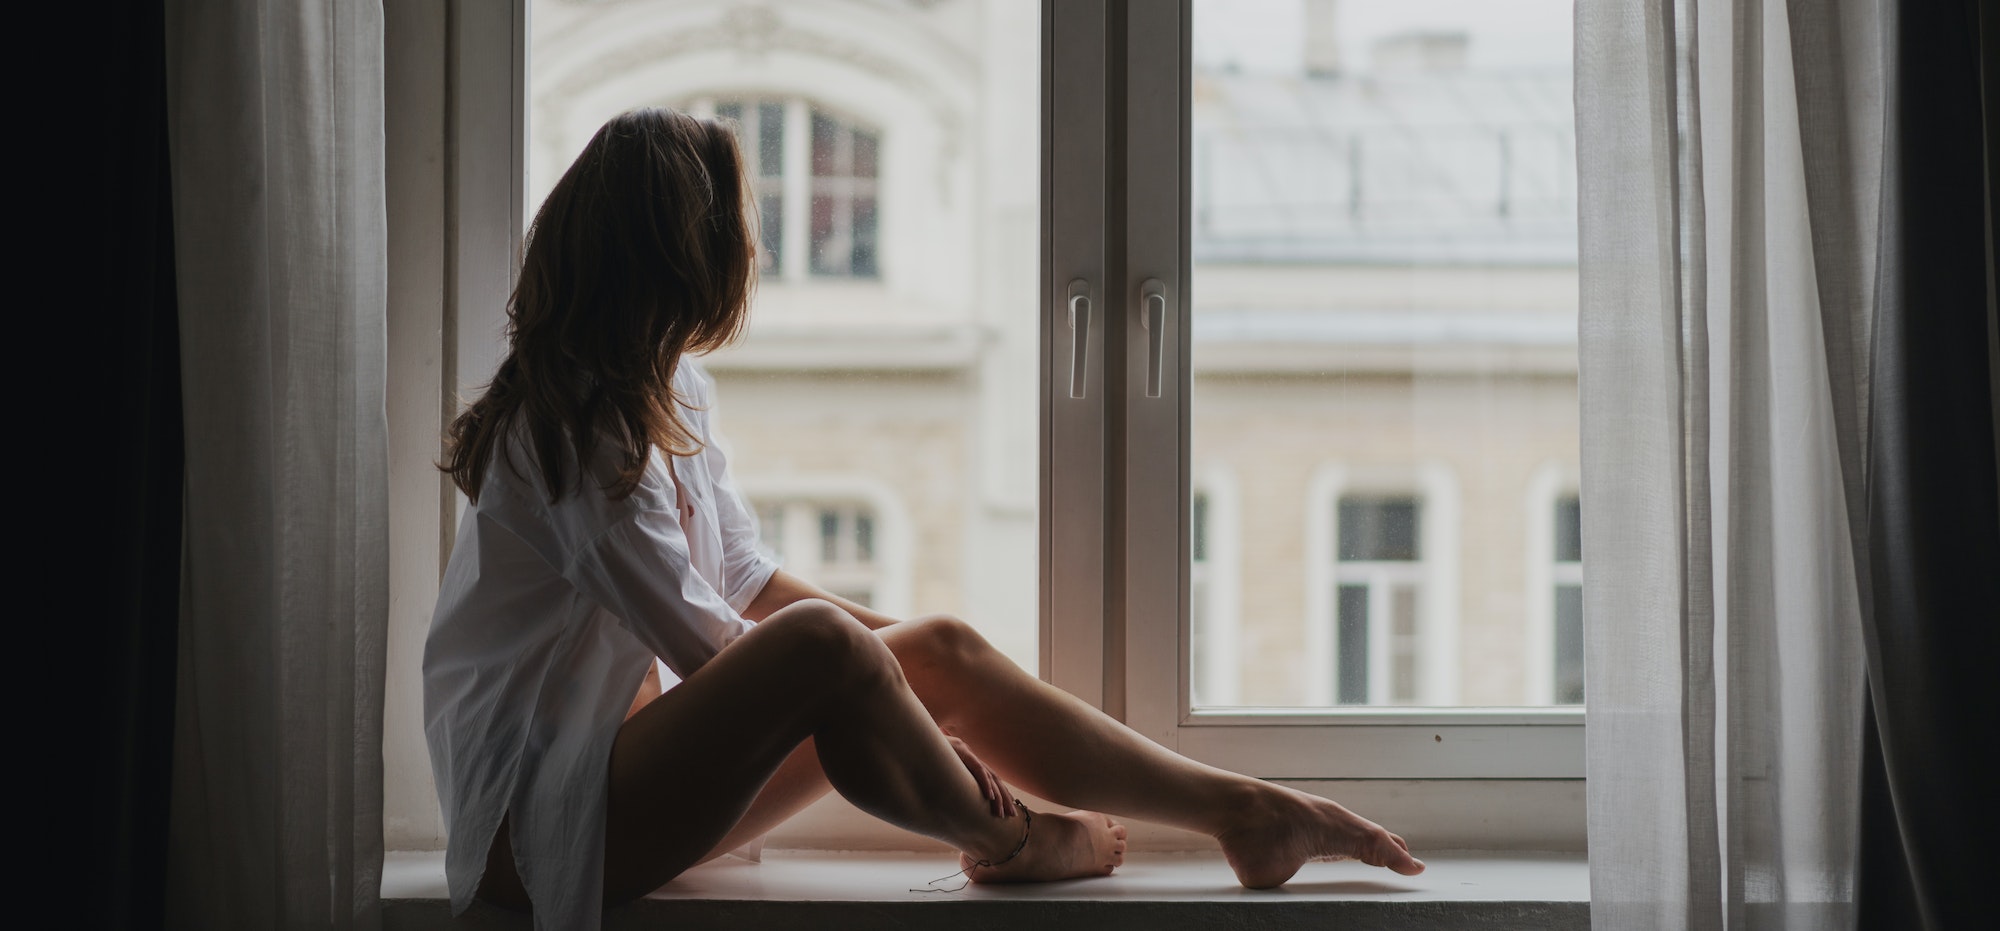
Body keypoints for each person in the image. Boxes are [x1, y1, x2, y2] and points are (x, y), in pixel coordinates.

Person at [423, 107, 1425, 930]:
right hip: (537, 835)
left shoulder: (669, 390)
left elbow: (742, 579)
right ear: (680, 260)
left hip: (621, 792)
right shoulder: (564, 434)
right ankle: (1017, 840)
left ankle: (1242, 809)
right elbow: (719, 646)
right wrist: (898, 704)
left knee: (931, 642)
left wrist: (926, 674)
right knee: (832, 645)